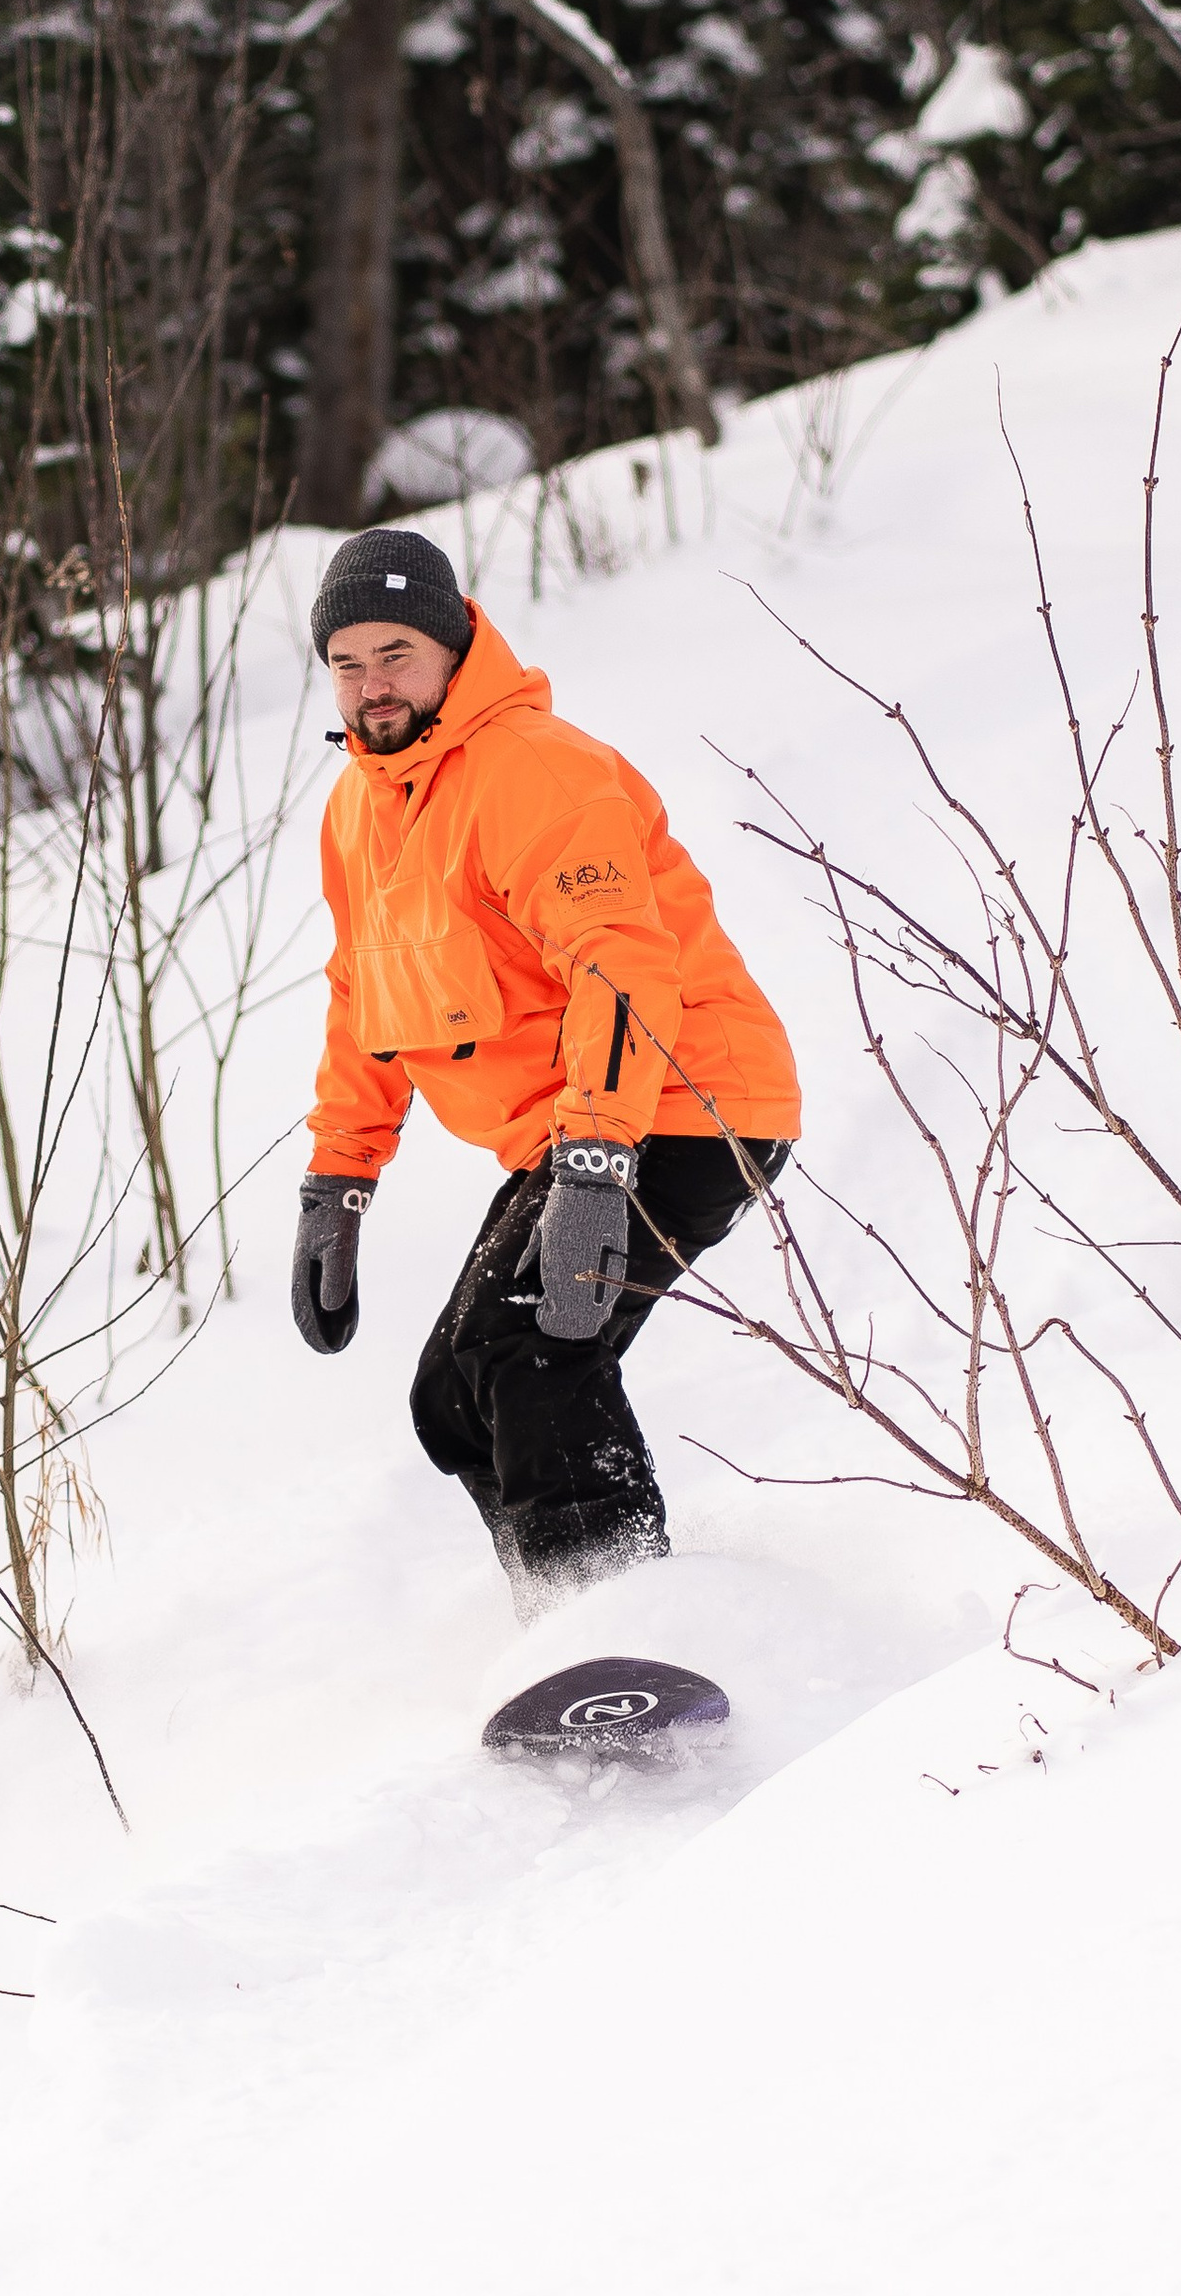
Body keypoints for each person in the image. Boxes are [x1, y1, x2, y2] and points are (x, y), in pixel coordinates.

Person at [291, 526, 801, 1605]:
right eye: (347, 661)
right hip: (576, 1129)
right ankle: (562, 1617)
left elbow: (619, 966)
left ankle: (620, 1609)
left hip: (683, 1101)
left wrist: (595, 1164)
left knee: (530, 1351)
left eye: (396, 653)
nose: (372, 684)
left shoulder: (530, 766)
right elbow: (361, 996)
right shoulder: (360, 810)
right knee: (453, 1394)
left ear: (451, 648)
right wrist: (339, 1182)